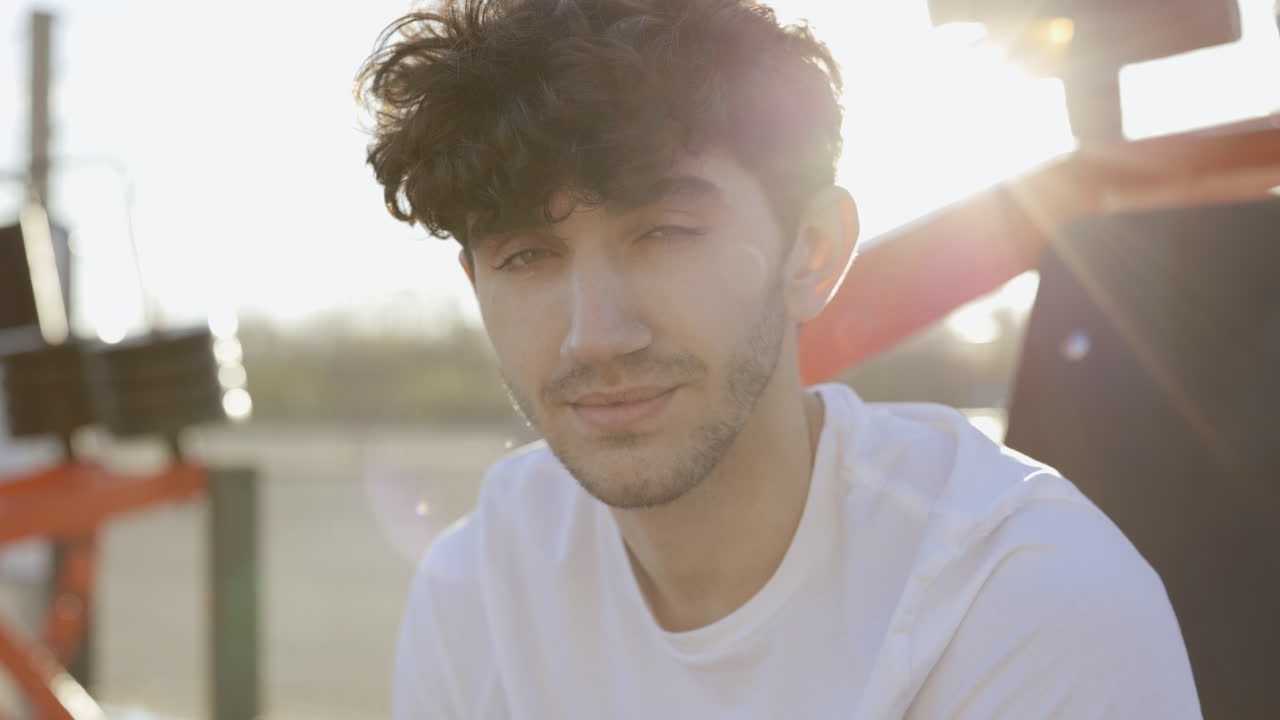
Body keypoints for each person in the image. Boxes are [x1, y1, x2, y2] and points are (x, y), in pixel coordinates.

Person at [357, 1, 1201, 717]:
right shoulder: (481, 588)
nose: (596, 334)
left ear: (813, 250)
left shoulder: (1025, 601)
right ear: (476, 283)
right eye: (527, 257)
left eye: (663, 232)